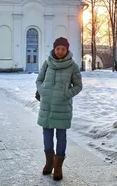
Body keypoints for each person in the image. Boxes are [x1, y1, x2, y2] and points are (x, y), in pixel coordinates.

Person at [35, 37, 83, 181]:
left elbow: (78, 86)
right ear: (54, 49)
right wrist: (43, 91)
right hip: (47, 106)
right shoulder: (47, 63)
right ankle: (49, 163)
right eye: (58, 48)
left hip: (62, 107)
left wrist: (65, 94)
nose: (60, 51)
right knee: (47, 135)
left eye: (63, 49)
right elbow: (39, 80)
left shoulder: (73, 66)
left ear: (67, 50)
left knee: (61, 136)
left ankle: (59, 166)